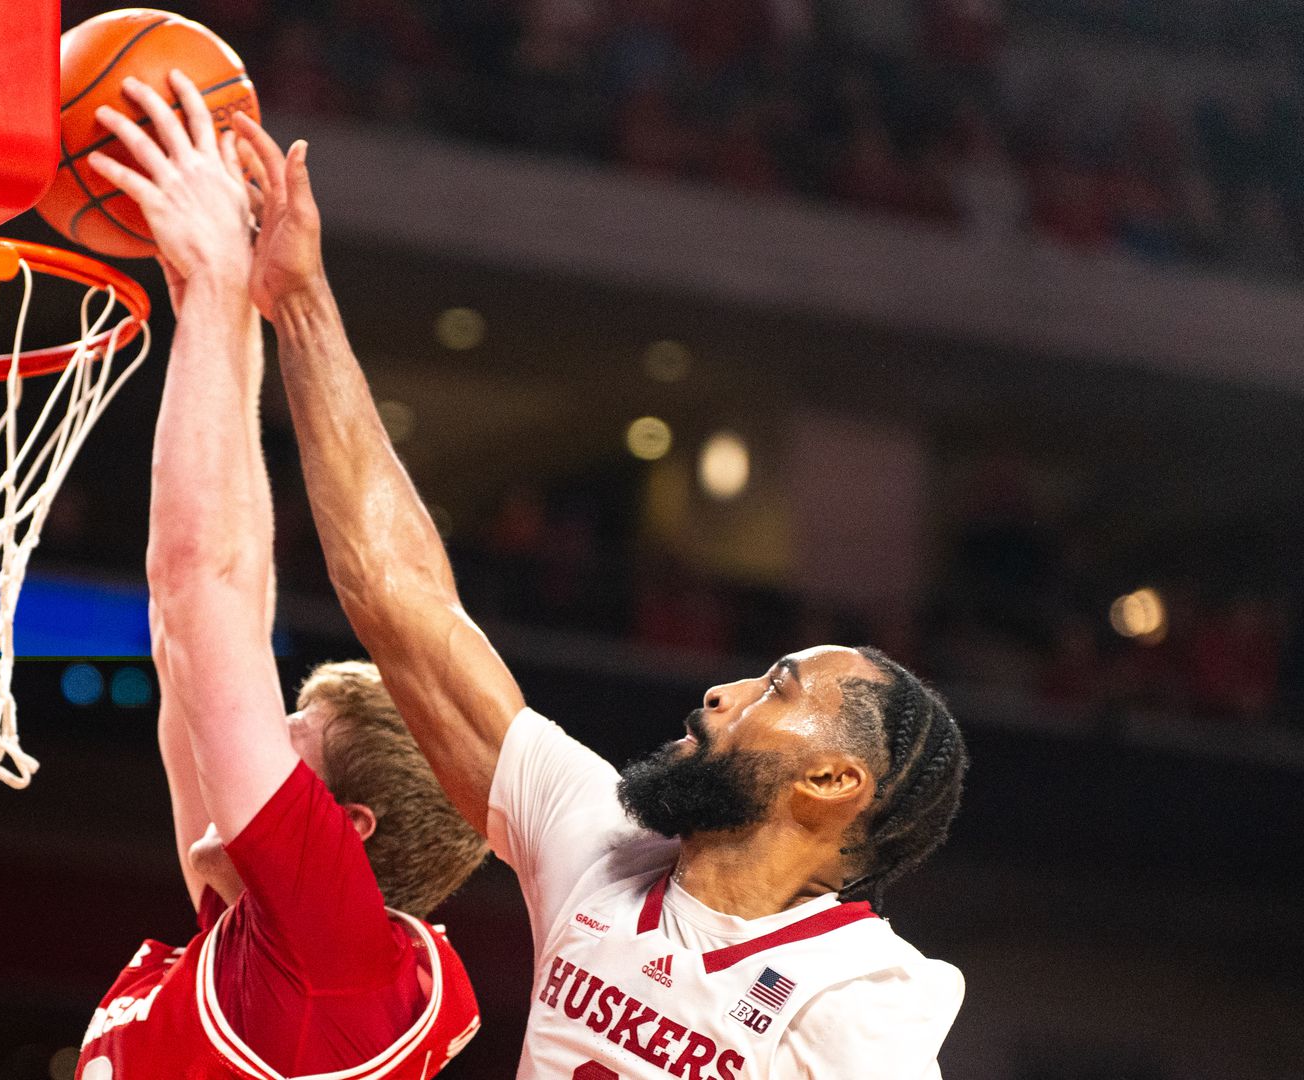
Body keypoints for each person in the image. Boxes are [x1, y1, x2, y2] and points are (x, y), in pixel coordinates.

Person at [230, 113, 970, 1078]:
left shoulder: (862, 995)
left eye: (777, 689)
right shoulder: (602, 844)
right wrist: (303, 303)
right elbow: (397, 597)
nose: (722, 692)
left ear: (832, 783)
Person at [74, 73, 489, 1080]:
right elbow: (217, 623)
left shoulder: (331, 963)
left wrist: (219, 285)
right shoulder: (299, 956)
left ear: (341, 832)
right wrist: (221, 322)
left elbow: (195, 588)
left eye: (292, 739)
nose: (258, 731)